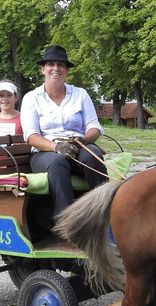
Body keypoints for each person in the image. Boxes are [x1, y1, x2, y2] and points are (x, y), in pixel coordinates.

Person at [20, 45, 107, 221]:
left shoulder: (80, 94)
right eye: (51, 64)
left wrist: (81, 139)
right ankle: (65, 221)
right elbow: (31, 136)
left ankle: (103, 213)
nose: (56, 69)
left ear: (66, 71)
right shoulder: (31, 98)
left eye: (61, 65)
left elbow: (94, 127)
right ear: (43, 69)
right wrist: (57, 146)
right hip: (46, 152)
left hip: (79, 145)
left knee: (94, 155)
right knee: (57, 162)